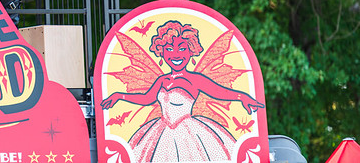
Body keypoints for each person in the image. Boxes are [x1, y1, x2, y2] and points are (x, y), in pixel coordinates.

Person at [101, 21, 265, 162]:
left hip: (187, 131)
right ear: (161, 52)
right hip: (161, 130)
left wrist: (242, 97)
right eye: (169, 49)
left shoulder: (195, 79)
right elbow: (146, 98)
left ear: (191, 51)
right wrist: (119, 96)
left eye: (182, 49)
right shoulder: (162, 80)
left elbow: (219, 92)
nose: (176, 54)